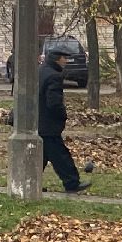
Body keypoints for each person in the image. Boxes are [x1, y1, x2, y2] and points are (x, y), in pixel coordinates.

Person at [39, 48, 90, 193]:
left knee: (41, 155)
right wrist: (63, 115)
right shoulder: (54, 76)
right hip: (48, 124)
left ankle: (30, 180)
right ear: (57, 59)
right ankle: (72, 183)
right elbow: (54, 103)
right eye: (64, 58)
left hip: (37, 121)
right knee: (60, 155)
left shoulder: (40, 70)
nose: (66, 61)